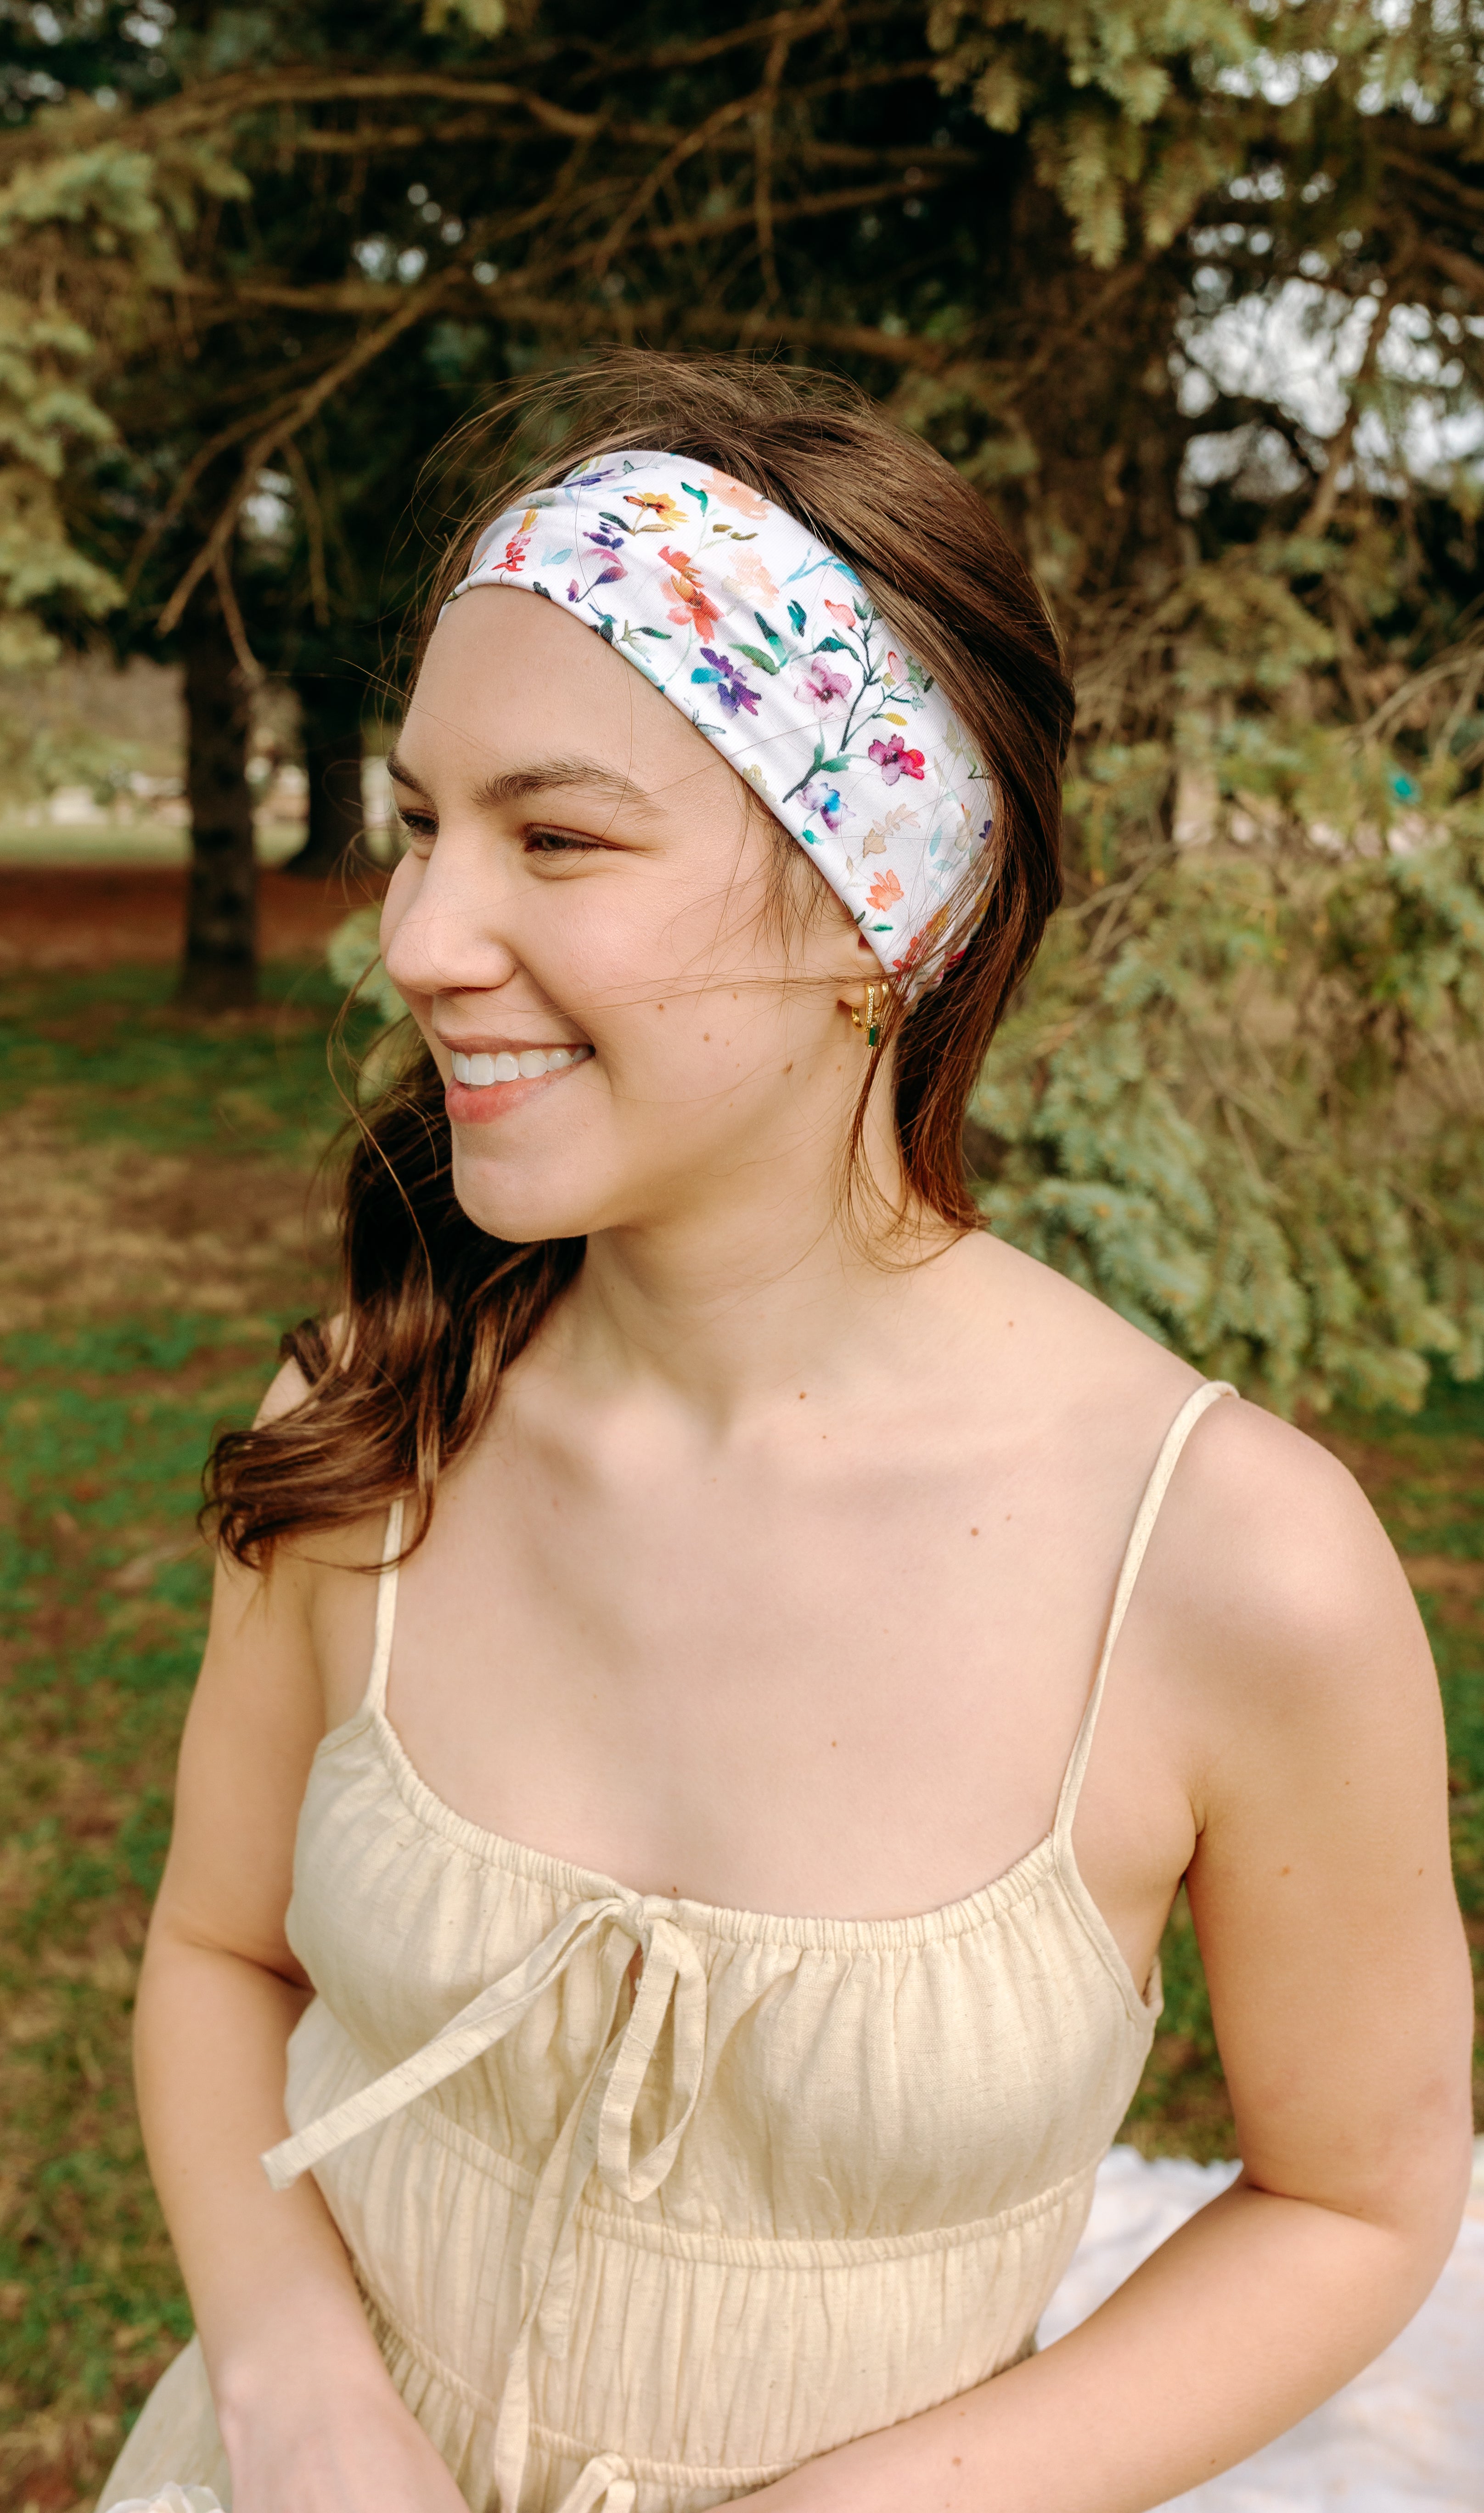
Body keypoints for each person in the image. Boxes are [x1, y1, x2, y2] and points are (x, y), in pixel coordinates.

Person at [98, 355, 1472, 2513]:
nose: (419, 939)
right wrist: (292, 2390)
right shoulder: (375, 1426)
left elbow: (1359, 2204)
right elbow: (216, 1953)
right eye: (421, 827)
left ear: (886, 909)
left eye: (556, 836)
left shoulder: (1226, 1569)